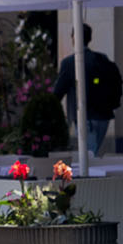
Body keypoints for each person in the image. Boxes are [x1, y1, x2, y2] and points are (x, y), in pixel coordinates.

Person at [52, 24, 123, 157]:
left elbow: (58, 92)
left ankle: (88, 177)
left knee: (89, 156)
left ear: (74, 38)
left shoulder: (69, 63)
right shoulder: (102, 59)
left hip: (84, 116)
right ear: (89, 38)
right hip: (103, 115)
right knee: (92, 153)